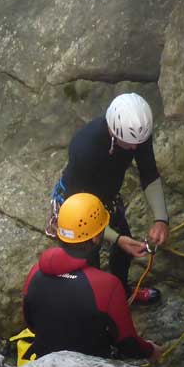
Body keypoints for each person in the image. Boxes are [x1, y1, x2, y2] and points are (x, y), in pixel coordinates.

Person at [46, 93, 169, 304]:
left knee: (125, 252)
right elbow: (78, 200)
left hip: (108, 197)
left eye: (138, 143)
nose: (134, 149)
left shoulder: (137, 134)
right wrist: (116, 239)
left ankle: (122, 292)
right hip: (76, 205)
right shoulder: (85, 147)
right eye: (129, 143)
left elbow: (148, 172)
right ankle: (99, 306)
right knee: (88, 261)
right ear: (113, 131)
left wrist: (161, 219)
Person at [25, 193, 159, 362]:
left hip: (45, 360)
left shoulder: (35, 272)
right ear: (96, 237)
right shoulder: (107, 286)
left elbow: (30, 321)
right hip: (91, 365)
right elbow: (128, 343)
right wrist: (150, 350)